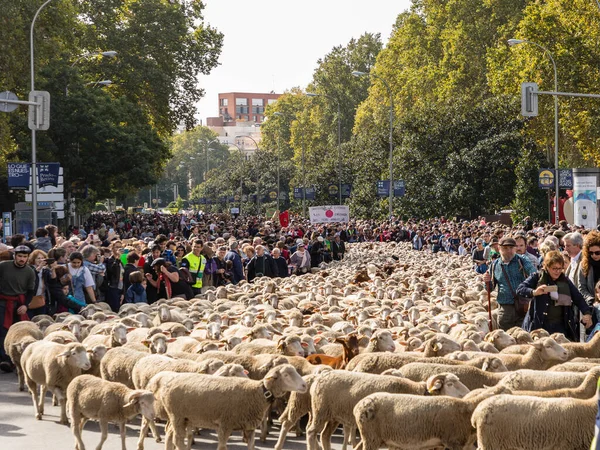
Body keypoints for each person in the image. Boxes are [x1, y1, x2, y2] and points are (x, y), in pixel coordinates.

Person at [517, 250, 592, 341]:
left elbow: (578, 298)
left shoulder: (565, 280)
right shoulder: (537, 277)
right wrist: (534, 292)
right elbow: (520, 289)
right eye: (554, 268)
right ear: (547, 267)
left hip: (560, 326)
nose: (557, 271)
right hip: (540, 325)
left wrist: (587, 313)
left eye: (560, 268)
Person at [483, 237, 536, 330]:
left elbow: (534, 274)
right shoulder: (494, 265)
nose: (509, 251)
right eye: (505, 248)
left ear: (515, 248)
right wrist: (486, 282)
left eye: (511, 248)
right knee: (505, 338)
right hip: (505, 308)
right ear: (499, 249)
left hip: (523, 306)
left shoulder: (522, 260)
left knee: (523, 336)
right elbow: (489, 289)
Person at [0, 246, 36, 372]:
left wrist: (25, 305)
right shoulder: (3, 266)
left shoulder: (30, 271)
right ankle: (5, 360)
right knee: (3, 331)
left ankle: (16, 360)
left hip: (19, 303)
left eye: (25, 257)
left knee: (17, 333)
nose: (22, 259)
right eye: (19, 256)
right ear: (14, 256)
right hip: (3, 302)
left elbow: (31, 291)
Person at [576, 230, 600, 307]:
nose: (594, 255)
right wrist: (590, 299)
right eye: (591, 253)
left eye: (597, 252)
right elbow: (581, 287)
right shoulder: (584, 264)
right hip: (590, 304)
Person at [104, 241, 125, 312]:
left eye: (120, 247)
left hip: (120, 287)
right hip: (113, 288)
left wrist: (123, 292)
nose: (119, 249)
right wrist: (117, 259)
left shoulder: (121, 262)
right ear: (112, 248)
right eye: (117, 247)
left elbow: (122, 276)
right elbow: (112, 271)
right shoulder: (109, 260)